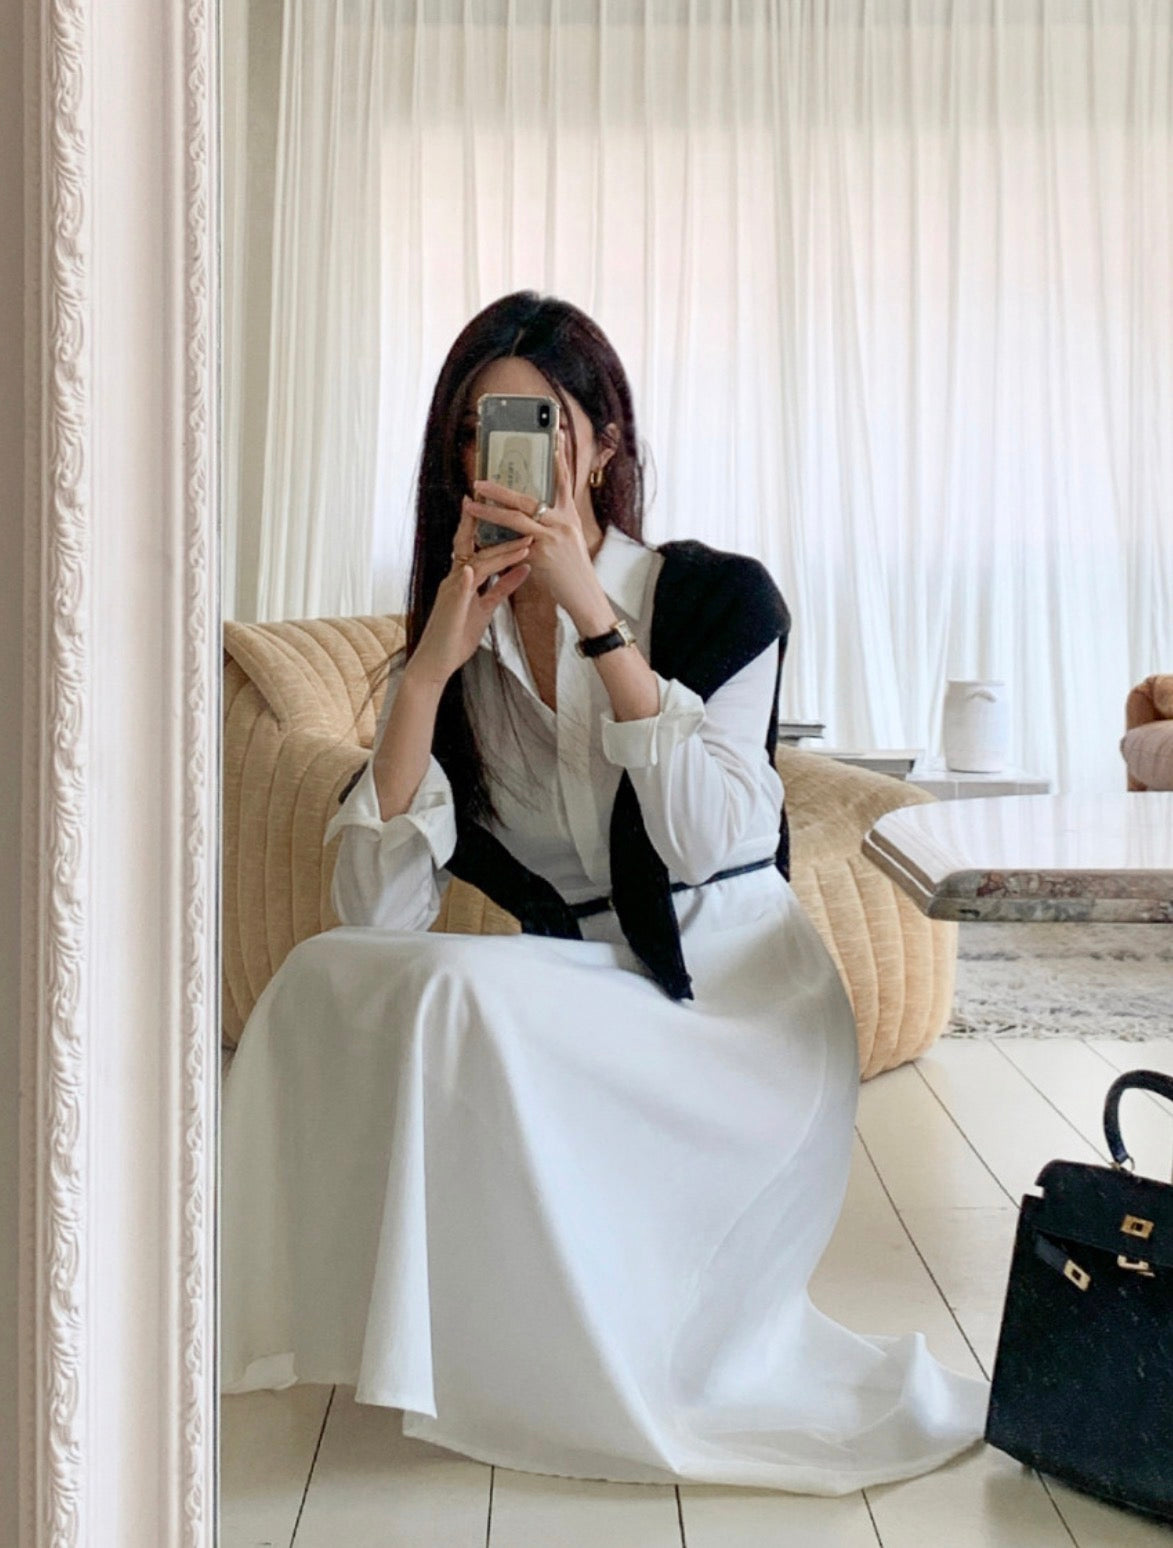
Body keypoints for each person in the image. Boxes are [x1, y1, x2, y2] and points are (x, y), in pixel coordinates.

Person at [220, 292, 988, 1491]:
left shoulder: (719, 598)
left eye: (536, 423)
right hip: (591, 1001)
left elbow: (714, 835)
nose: (501, 458)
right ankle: (328, 1331)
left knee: (457, 999)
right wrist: (424, 678)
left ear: (603, 441)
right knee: (326, 978)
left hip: (740, 1014)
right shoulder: (459, 647)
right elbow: (373, 919)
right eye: (475, 432)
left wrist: (593, 617)